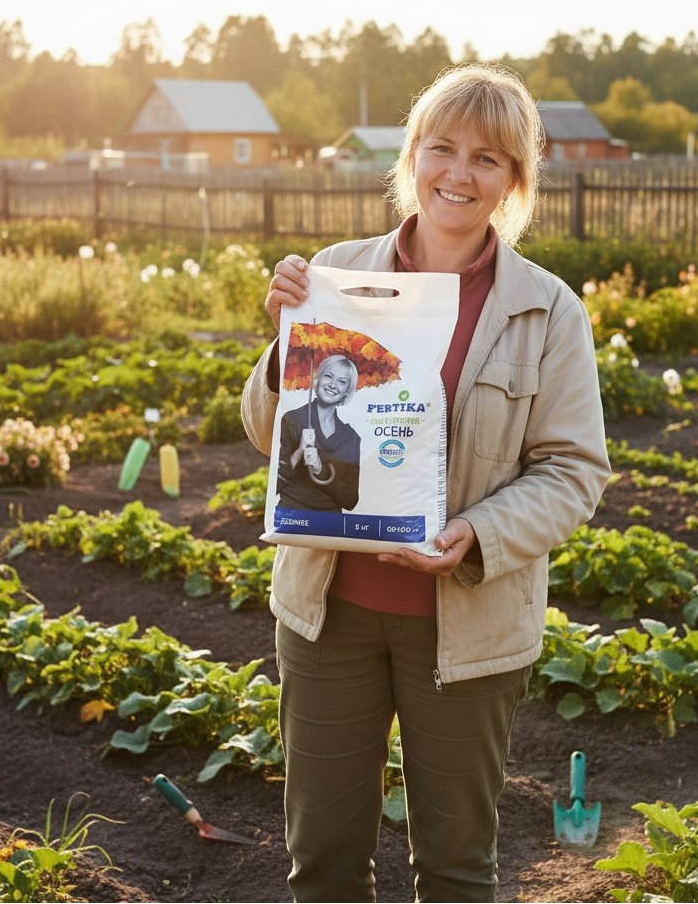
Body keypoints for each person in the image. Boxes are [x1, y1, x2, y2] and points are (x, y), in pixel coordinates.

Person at [241, 62, 611, 903]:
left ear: (514, 179)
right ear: (411, 156)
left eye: (487, 157)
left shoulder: (546, 310)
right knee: (323, 860)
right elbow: (268, 435)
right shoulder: (333, 276)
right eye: (441, 147)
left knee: (453, 867)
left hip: (467, 628)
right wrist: (285, 344)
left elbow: (572, 470)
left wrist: (476, 533)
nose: (458, 172)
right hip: (329, 614)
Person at [276, 353, 361, 513]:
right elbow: (275, 484)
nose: (333, 385)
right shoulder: (292, 420)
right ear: (317, 380)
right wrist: (298, 453)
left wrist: (319, 469)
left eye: (342, 381)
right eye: (328, 376)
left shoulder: (351, 438)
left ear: (347, 392)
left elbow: (351, 500)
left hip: (331, 522)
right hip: (292, 517)